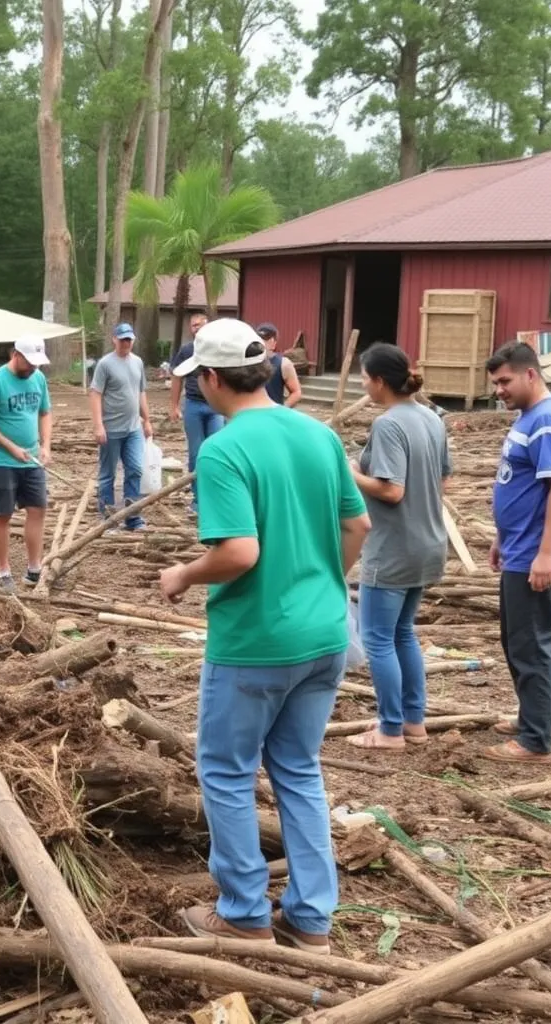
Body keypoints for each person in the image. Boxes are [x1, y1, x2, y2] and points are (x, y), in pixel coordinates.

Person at [159, 318, 370, 954]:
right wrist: (318, 580)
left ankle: (244, 912)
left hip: (257, 641)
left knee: (224, 770)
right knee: (299, 771)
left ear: (211, 378)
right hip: (325, 633)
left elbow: (240, 553)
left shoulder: (224, 448)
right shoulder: (318, 434)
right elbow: (357, 528)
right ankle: (310, 922)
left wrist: (184, 575)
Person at [345, 343, 451, 751]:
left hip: (394, 549)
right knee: (402, 633)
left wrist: (350, 472)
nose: (361, 383)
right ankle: (413, 721)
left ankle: (389, 729)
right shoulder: (431, 418)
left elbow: (391, 490)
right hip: (428, 542)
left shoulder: (389, 425)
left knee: (377, 638)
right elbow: (442, 482)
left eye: (364, 376)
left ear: (379, 381)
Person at [486, 342, 551, 763]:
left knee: (532, 646)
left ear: (530, 374)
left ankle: (536, 741)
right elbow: (520, 485)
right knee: (517, 641)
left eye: (505, 381)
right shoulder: (529, 417)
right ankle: (531, 717)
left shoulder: (549, 421)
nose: (499, 390)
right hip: (519, 548)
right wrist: (501, 537)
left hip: (540, 555)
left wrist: (546, 554)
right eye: (495, 384)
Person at [0, 335, 53, 592]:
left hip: (31, 458)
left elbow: (45, 412)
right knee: (3, 513)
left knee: (37, 509)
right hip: (1, 460)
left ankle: (34, 567)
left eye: (37, 364)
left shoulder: (38, 379)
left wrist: (45, 445)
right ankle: (3, 570)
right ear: (15, 355)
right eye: (29, 362)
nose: (32, 368)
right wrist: (11, 447)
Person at [88, 322, 153, 531]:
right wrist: (99, 425)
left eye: (129, 339)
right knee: (108, 474)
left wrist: (147, 419)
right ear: (114, 339)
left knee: (135, 469)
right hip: (111, 428)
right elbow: (95, 393)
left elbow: (141, 392)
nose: (126, 343)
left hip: (133, 427)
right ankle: (108, 518)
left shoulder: (138, 362)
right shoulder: (105, 364)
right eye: (122, 339)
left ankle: (133, 516)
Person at [170, 312, 225, 514]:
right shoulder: (187, 351)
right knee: (196, 452)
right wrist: (174, 406)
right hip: (193, 405)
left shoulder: (217, 349)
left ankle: (217, 497)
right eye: (194, 326)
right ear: (190, 329)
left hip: (215, 407)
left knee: (217, 451)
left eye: (201, 325)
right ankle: (197, 500)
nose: (197, 328)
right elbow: (177, 377)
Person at [256, 323, 302, 407]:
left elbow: (296, 392)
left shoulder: (284, 364)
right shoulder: (247, 362)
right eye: (259, 339)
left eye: (266, 339)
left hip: (272, 416)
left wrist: (281, 410)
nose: (262, 343)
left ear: (274, 342)